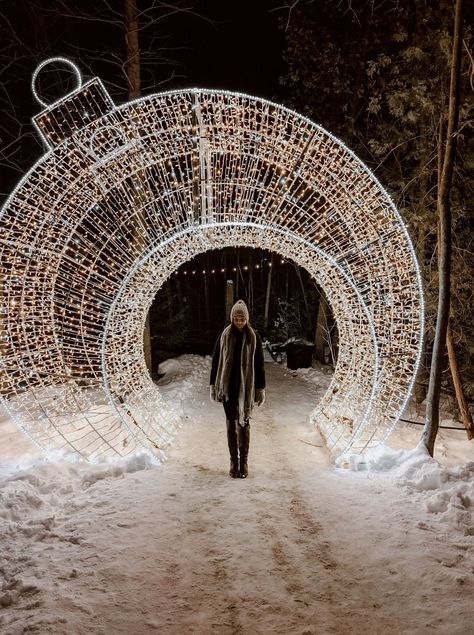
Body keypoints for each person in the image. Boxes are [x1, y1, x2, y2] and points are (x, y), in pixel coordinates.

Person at [210, 299, 265, 479]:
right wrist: (213, 385)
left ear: (247, 319)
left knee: (244, 423)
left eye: (242, 319)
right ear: (232, 319)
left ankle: (244, 462)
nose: (239, 322)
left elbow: (259, 365)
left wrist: (260, 388)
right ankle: (234, 461)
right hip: (228, 388)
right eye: (236, 319)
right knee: (231, 425)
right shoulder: (224, 336)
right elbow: (216, 361)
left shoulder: (253, 337)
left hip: (246, 389)